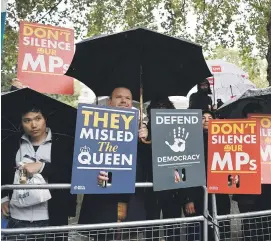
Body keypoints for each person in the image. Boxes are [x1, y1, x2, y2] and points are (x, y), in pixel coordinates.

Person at [78, 87, 148, 240]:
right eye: (119, 97)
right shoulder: (93, 124)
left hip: (131, 201)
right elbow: (84, 160)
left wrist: (145, 140)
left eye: (128, 98)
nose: (124, 101)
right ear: (110, 102)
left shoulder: (141, 130)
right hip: (103, 201)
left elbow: (149, 166)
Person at [1, 107, 76, 239]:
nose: (33, 125)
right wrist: (3, 198)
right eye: (27, 120)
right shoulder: (12, 144)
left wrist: (42, 167)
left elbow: (70, 173)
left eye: (37, 118)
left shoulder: (63, 144)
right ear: (21, 122)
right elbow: (4, 171)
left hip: (52, 217)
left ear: (45, 119)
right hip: (17, 217)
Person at [232, 102, 271, 241]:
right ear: (245, 118)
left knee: (266, 227)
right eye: (253, 116)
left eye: (260, 116)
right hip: (246, 193)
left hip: (268, 191)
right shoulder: (236, 137)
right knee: (250, 229)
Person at [138, 96, 183, 241]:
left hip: (172, 186)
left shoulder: (177, 129)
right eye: (158, 106)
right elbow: (142, 158)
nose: (161, 109)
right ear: (151, 111)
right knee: (152, 225)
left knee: (173, 225)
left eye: (165, 106)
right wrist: (142, 138)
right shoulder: (144, 130)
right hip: (151, 185)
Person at [182, 110, 231, 241]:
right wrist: (188, 198)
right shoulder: (189, 141)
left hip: (219, 194)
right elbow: (185, 170)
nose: (206, 120)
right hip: (196, 194)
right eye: (203, 118)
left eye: (210, 117)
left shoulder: (224, 141)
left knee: (220, 227)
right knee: (196, 230)